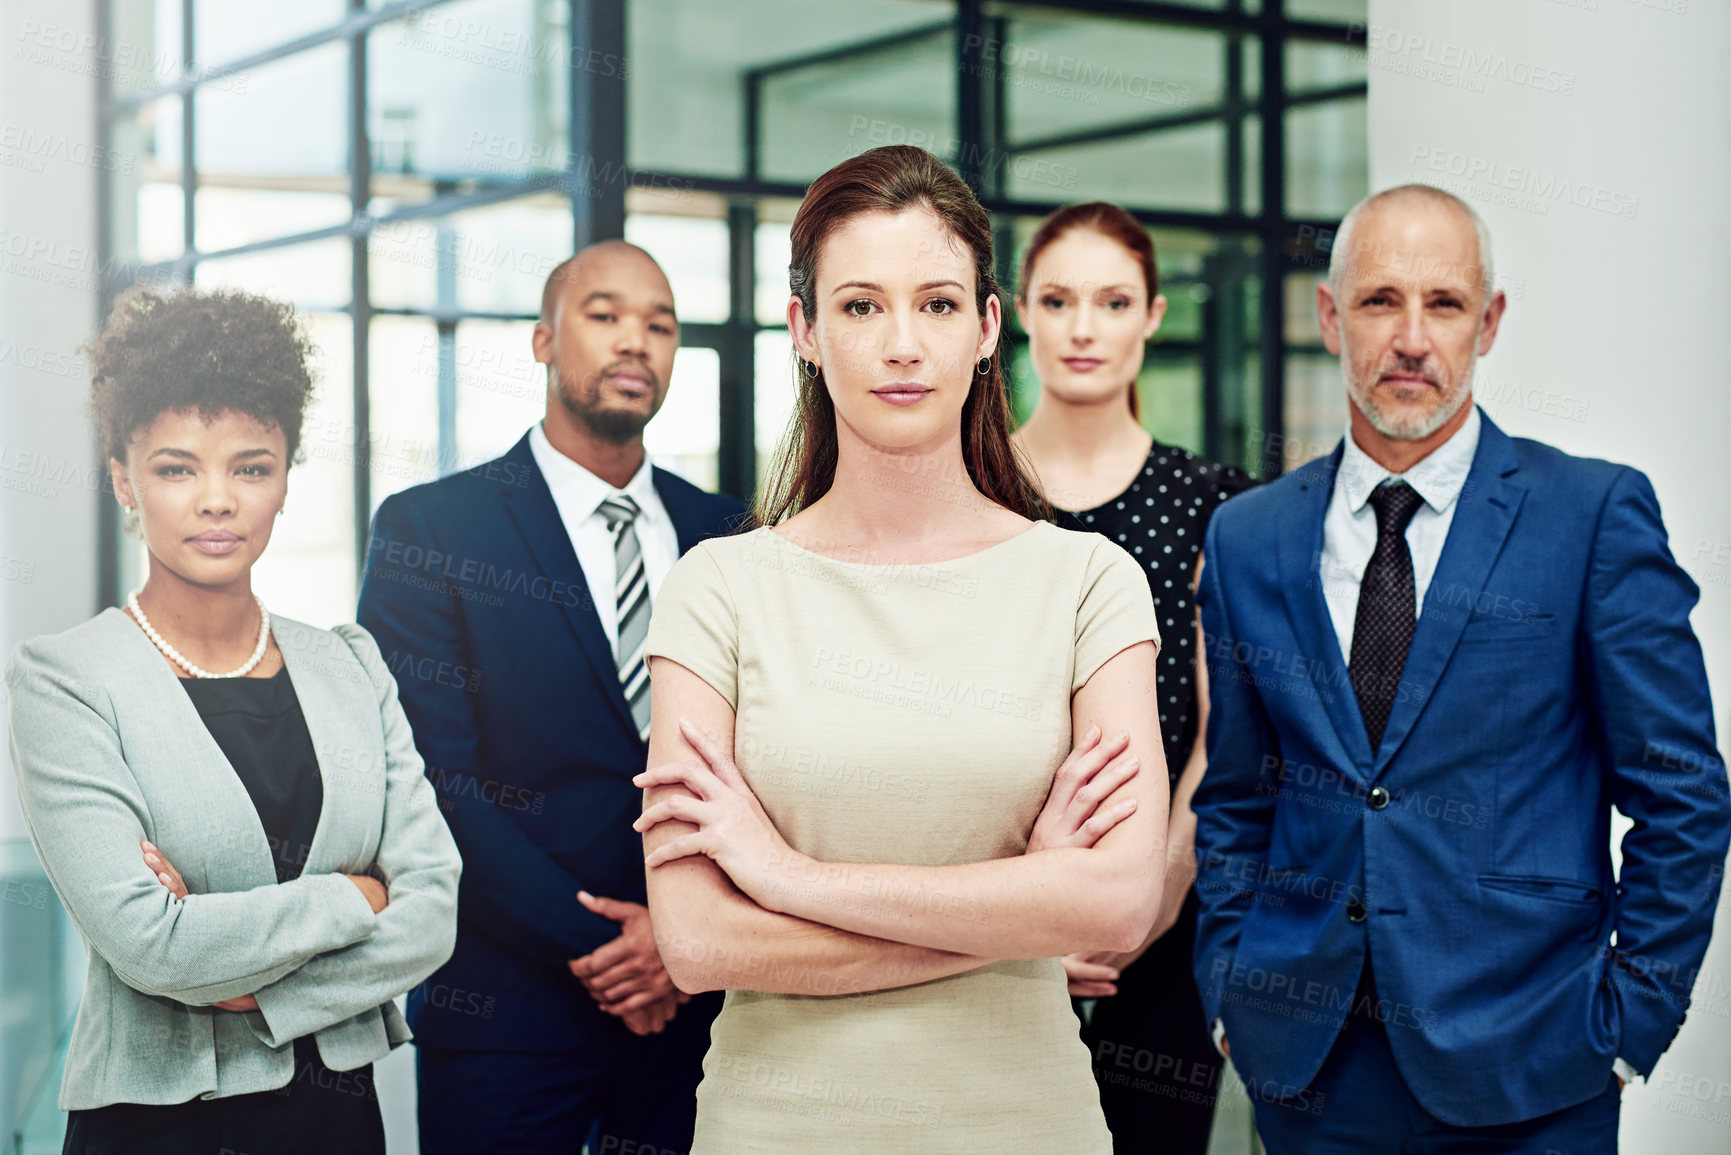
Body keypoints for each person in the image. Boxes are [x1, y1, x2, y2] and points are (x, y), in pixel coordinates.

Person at [632, 144, 1169, 1153]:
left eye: (936, 303)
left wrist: (787, 879)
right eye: (861, 306)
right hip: (776, 1127)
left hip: (1026, 1124)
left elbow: (1118, 899)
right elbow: (699, 941)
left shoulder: (1089, 583)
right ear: (804, 331)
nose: (902, 345)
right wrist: (1019, 901)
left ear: (984, 330)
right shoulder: (720, 589)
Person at [1191, 184, 1730, 1151]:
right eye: (1377, 300)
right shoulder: (1248, 536)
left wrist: (1629, 1021)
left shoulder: (1591, 515)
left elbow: (1681, 792)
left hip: (1533, 1065)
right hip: (1309, 1070)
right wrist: (1229, 984)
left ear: (1488, 322)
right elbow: (1235, 792)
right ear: (1327, 316)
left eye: (1442, 304)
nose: (1409, 337)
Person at [5, 286, 462, 1155]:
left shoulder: (349, 664)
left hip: (336, 1121)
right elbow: (154, 946)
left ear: (285, 479)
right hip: (156, 1128)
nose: (217, 499)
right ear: (123, 481)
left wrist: (249, 983)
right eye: (177, 467)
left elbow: (431, 909)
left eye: (250, 466)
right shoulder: (66, 681)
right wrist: (356, 895)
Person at [357, 240, 744, 1154]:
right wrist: (608, 945)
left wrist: (681, 941)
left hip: (700, 1011)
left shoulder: (728, 533)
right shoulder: (432, 528)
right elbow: (428, 779)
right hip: (506, 1008)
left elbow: (765, 762)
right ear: (540, 340)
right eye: (604, 316)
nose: (635, 342)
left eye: (660, 324)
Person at [1011, 201, 1253, 1154]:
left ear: (1152, 315)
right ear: (1015, 312)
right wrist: (1020, 918)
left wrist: (1137, 908)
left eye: (1112, 302)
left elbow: (1220, 733)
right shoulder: (963, 484)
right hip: (983, 907)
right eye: (1058, 300)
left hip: (1160, 920)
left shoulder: (1216, 504)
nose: (1082, 328)